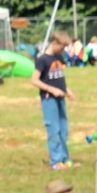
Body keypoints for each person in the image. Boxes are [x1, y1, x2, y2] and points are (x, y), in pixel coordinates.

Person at [32, 32, 74, 169]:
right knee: (54, 129)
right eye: (62, 47)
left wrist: (67, 90)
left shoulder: (59, 57)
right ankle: (55, 161)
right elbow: (34, 80)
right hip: (49, 99)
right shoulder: (42, 60)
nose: (63, 50)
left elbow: (59, 78)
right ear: (55, 43)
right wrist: (51, 90)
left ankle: (64, 159)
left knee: (63, 129)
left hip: (61, 98)